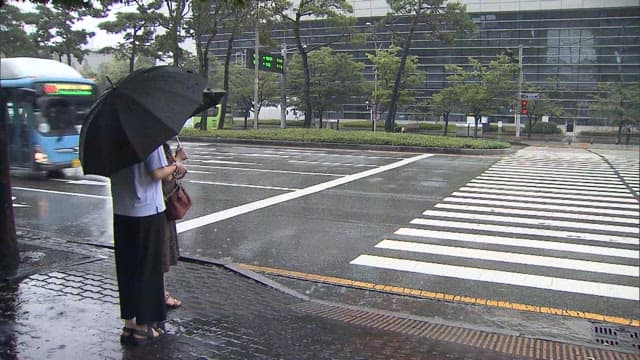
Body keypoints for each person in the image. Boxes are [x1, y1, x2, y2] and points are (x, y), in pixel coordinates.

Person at [110, 145, 186, 345]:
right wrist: (177, 163)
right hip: (147, 212)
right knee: (148, 270)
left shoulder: (110, 140)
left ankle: (129, 325)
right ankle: (144, 329)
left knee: (127, 269)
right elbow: (159, 173)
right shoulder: (148, 139)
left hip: (121, 210)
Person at [161, 141, 188, 309]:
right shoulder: (154, 144)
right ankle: (159, 293)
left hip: (157, 206)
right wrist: (178, 160)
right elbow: (163, 176)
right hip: (159, 206)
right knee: (161, 252)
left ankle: (159, 292)